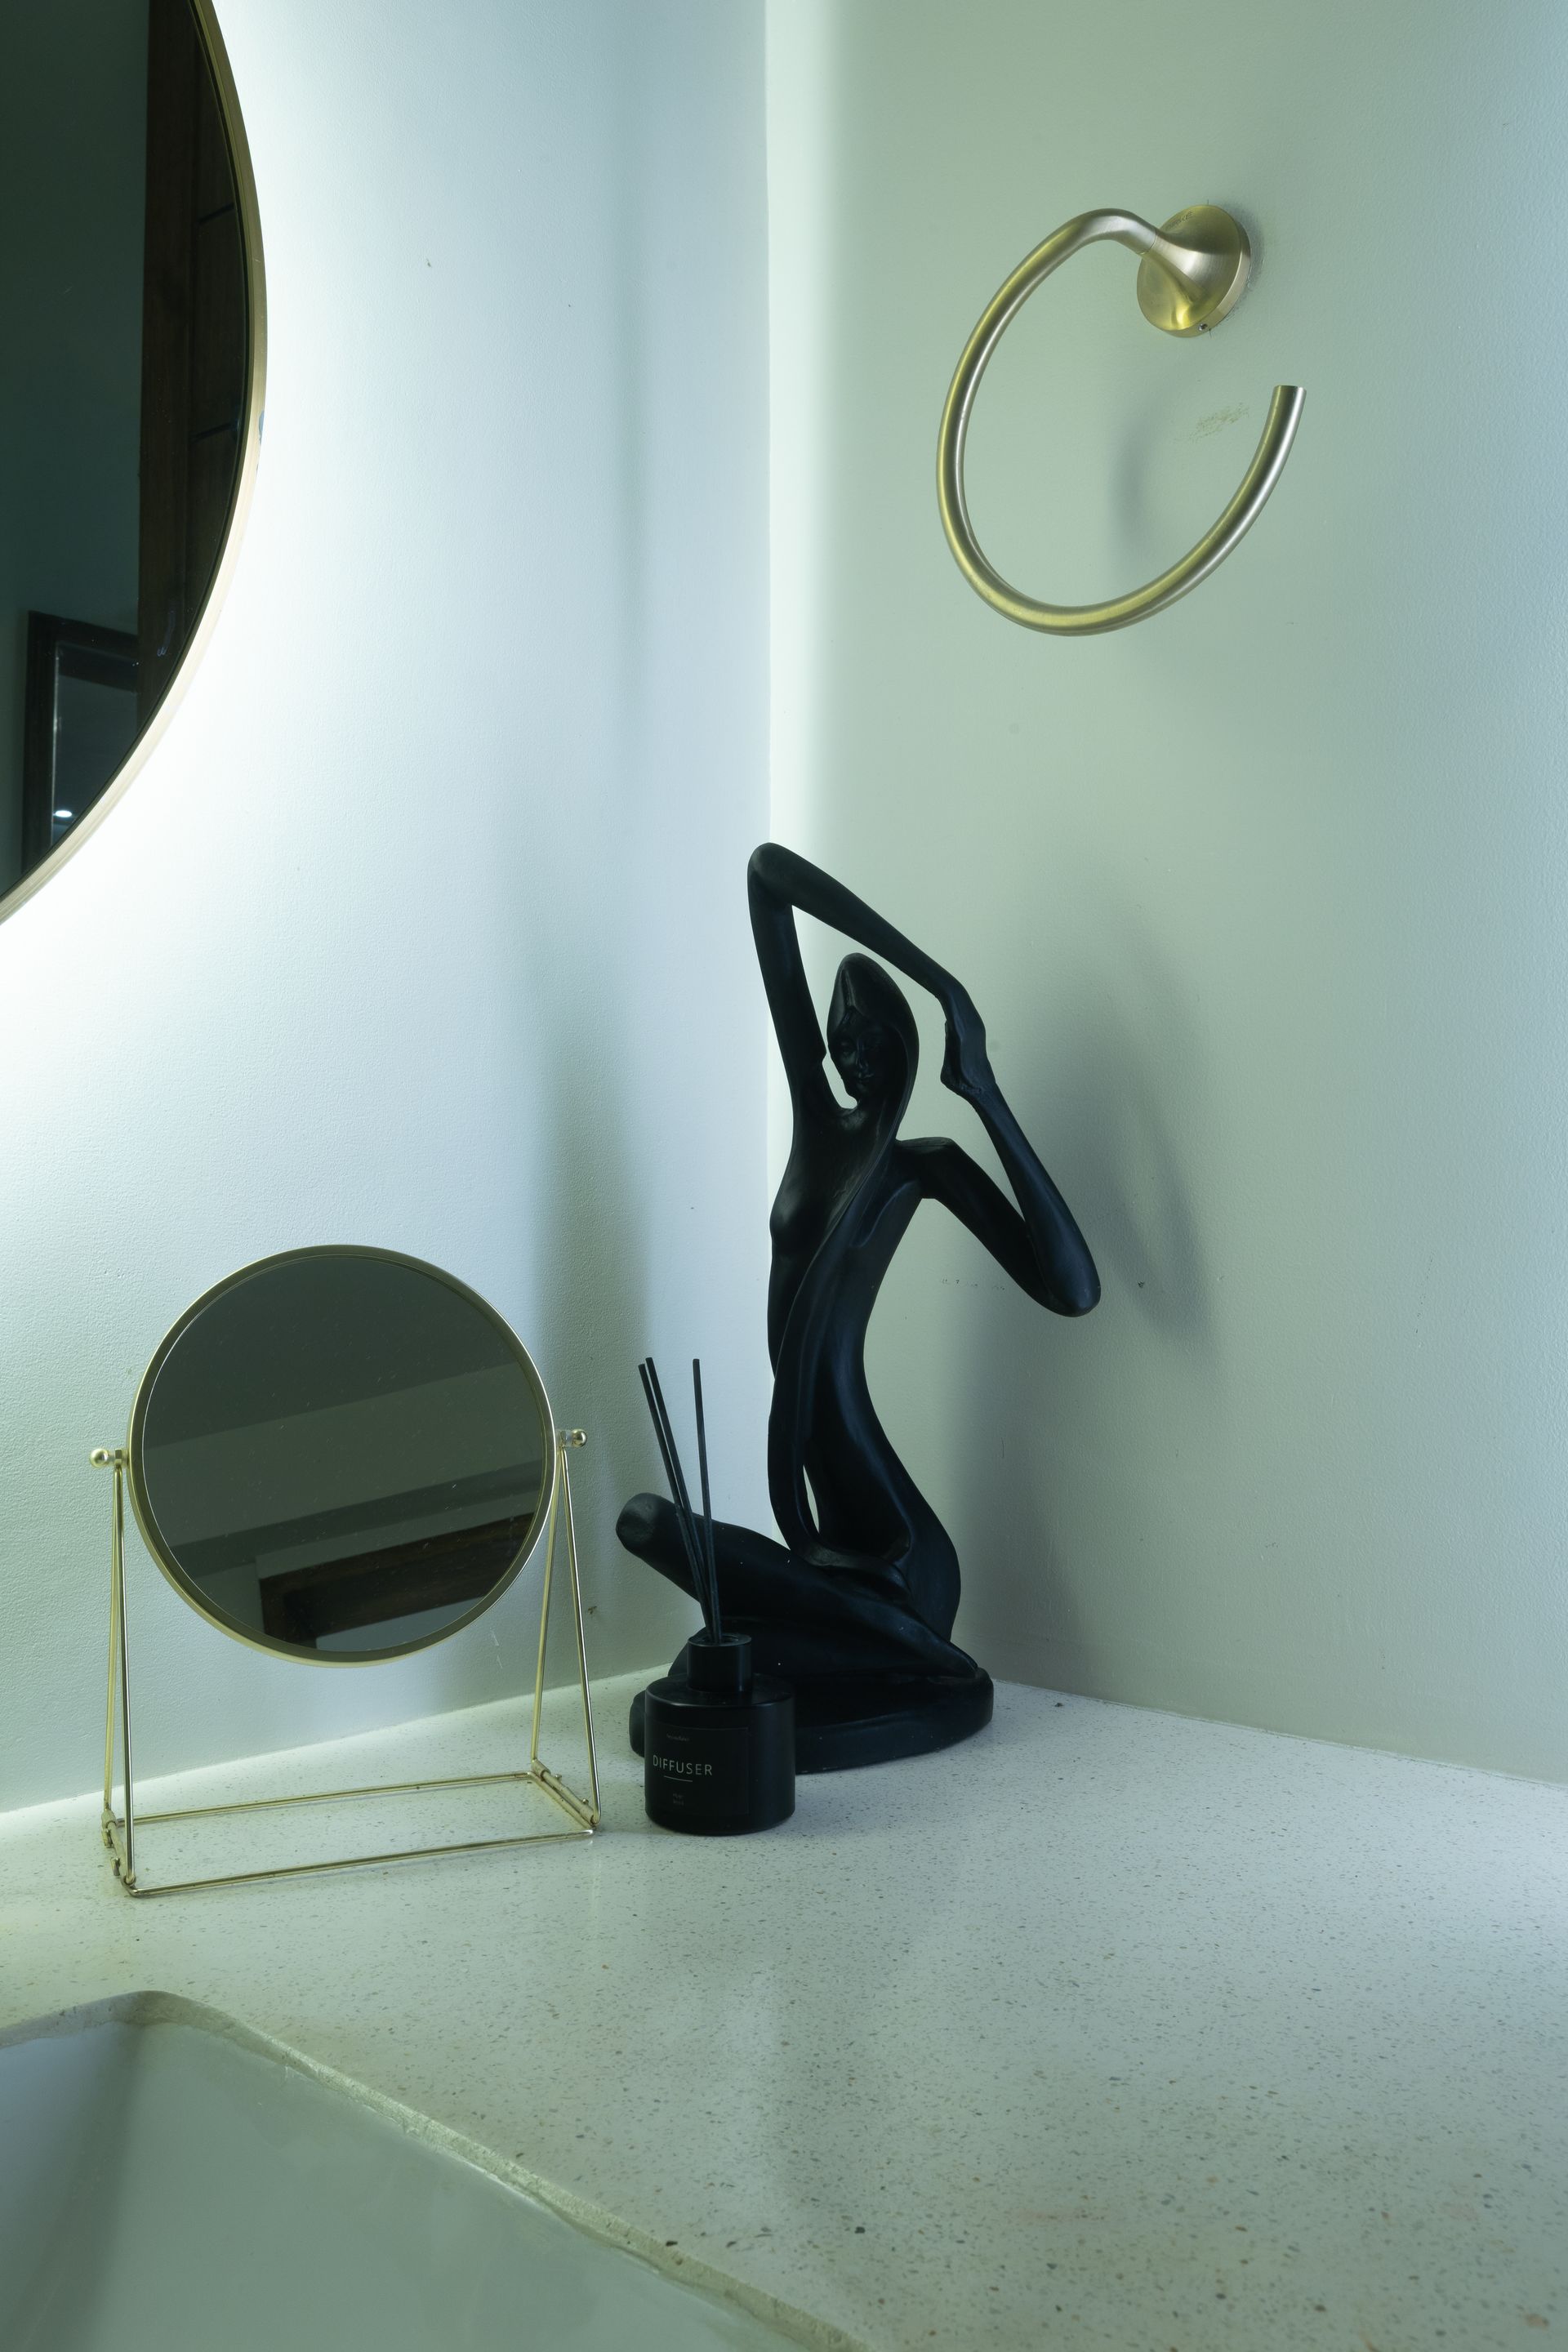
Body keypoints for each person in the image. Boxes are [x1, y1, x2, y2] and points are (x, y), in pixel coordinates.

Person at [619, 843, 1100, 1766]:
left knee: (658, 1532)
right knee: (652, 1535)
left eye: (868, 1039)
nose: (847, 1057)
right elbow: (766, 877)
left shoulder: (919, 1169)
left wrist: (985, 1091)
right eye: (838, 1041)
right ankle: (882, 1644)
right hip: (829, 1545)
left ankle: (929, 1658)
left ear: (906, 1048)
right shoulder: (817, 1125)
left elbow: (1072, 1289)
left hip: (896, 1548)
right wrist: (933, 974)